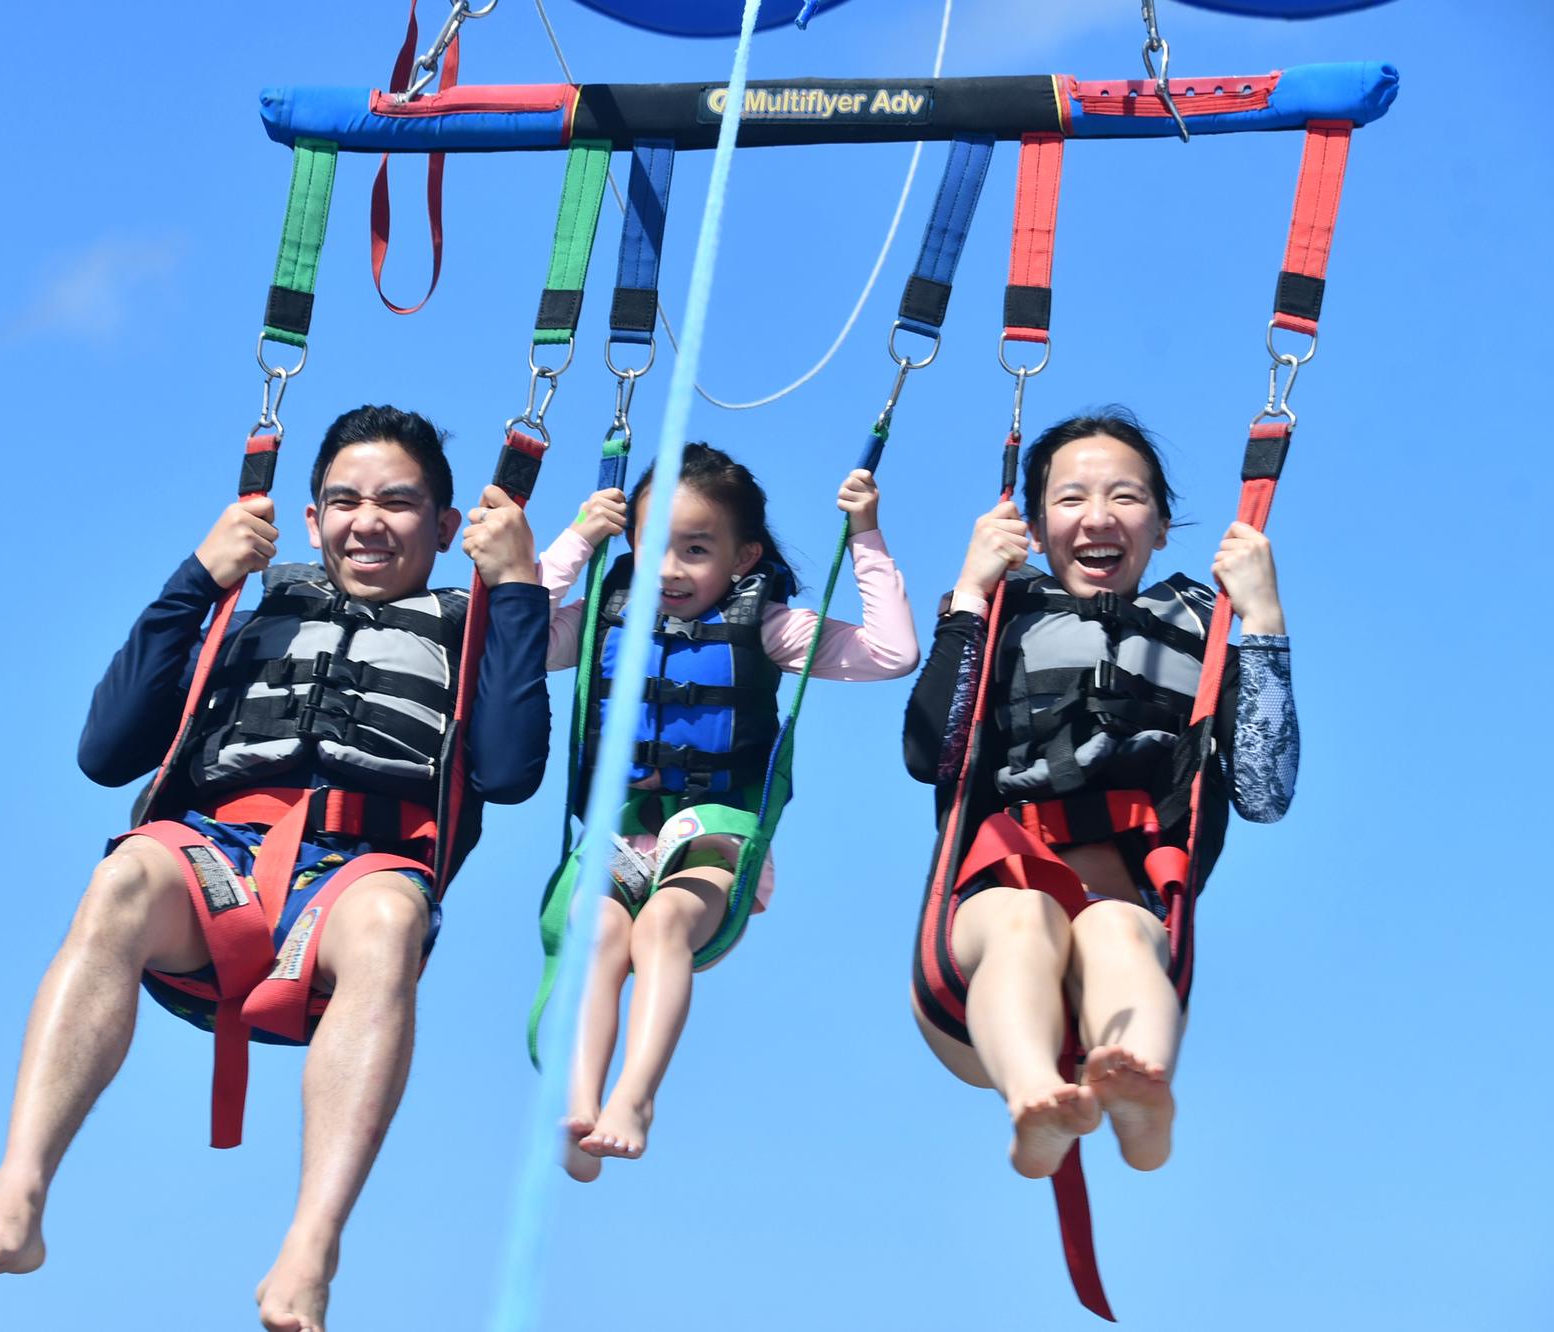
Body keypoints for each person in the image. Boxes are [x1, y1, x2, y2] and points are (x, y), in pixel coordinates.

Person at [0, 405, 551, 1332]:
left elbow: (508, 772)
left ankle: (311, 1247)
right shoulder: (249, 614)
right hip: (218, 864)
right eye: (343, 501)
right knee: (122, 877)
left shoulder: (472, 633)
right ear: (311, 519)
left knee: (390, 920)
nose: (366, 522)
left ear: (445, 528)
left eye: (396, 502)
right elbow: (106, 753)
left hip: (358, 877)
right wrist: (198, 577)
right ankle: (17, 1193)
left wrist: (518, 591)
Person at [903, 409, 1299, 1180]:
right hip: (982, 949)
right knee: (1027, 918)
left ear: (1161, 526)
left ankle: (1141, 1097)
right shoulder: (1002, 616)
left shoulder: (1205, 627)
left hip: (1124, 934)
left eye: (1125, 496)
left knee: (1115, 927)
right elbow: (929, 753)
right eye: (1071, 498)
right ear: (1033, 528)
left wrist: (1263, 621)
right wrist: (971, 595)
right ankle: (1035, 1100)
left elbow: (1264, 791)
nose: (1098, 517)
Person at [539, 443, 918, 1181]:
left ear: (743, 558)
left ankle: (634, 1099)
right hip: (623, 831)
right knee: (599, 929)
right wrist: (578, 539)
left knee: (663, 924)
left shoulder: (768, 628)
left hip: (716, 832)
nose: (668, 569)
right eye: (651, 545)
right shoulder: (597, 624)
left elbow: (891, 652)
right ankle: (580, 1107)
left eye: (695, 549)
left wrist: (866, 535)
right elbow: (512, 629)